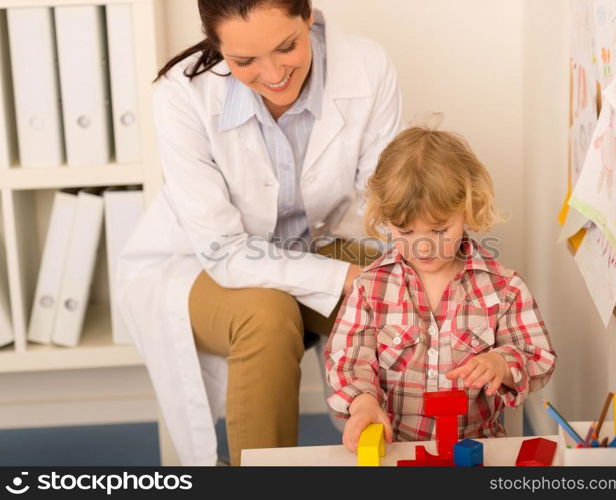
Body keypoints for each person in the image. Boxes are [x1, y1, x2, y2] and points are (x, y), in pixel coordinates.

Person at [116, 0, 401, 465]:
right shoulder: (180, 93)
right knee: (268, 314)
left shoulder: (367, 66)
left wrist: (405, 265)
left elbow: (383, 203)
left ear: (307, 15)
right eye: (244, 60)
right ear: (216, 44)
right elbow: (224, 250)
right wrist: (346, 280)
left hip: (320, 243)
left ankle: (410, 454)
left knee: (412, 288)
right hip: (198, 265)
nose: (272, 74)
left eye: (286, 46)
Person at [324, 126, 556, 452]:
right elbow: (348, 360)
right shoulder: (368, 289)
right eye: (405, 231)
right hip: (395, 449)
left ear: (469, 208)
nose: (422, 246)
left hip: (476, 449)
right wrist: (362, 402)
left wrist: (502, 363)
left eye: (439, 230)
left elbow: (538, 357)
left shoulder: (504, 289)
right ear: (384, 220)